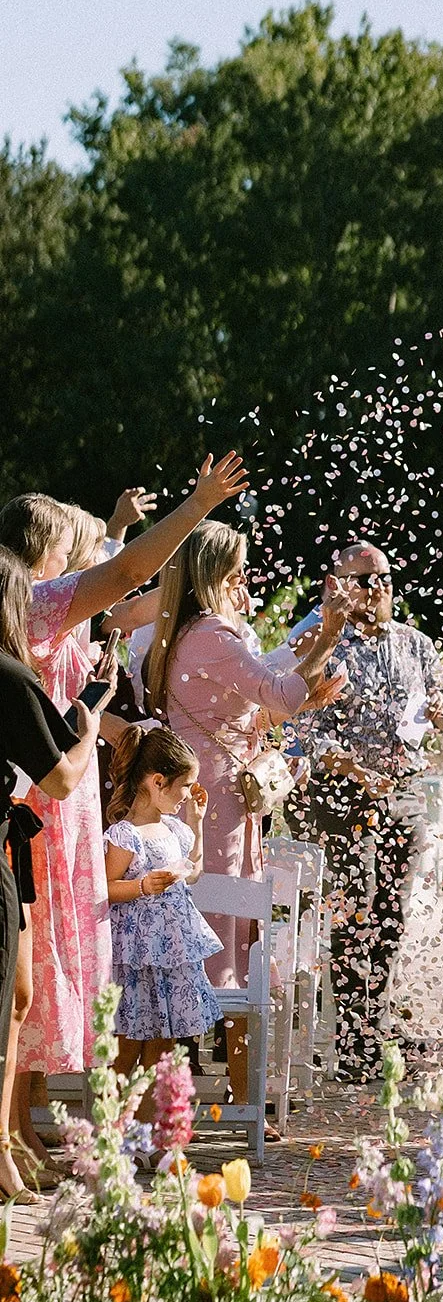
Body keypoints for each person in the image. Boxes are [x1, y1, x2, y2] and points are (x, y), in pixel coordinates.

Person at [0, 451, 248, 1173]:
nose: (78, 561)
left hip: (66, 801)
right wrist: (197, 507)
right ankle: (12, 1133)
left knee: (41, 984)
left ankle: (21, 1128)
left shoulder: (45, 615)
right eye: (68, 550)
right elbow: (123, 574)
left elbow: (128, 590)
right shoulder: (39, 607)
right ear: (42, 555)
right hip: (44, 801)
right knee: (30, 983)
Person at [143, 519, 347, 1111]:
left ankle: (223, 1095)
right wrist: (328, 633)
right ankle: (233, 1098)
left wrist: (306, 674)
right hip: (216, 810)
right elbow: (277, 696)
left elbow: (257, 703)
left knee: (222, 940)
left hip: (212, 799)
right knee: (225, 948)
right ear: (214, 575)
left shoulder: (191, 632)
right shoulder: (210, 633)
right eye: (236, 570)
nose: (246, 580)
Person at [295, 542, 443, 1080]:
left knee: (390, 913)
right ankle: (352, 1041)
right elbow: (297, 730)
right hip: (341, 797)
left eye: (386, 578)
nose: (379, 589)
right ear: (337, 585)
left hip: (405, 792)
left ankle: (378, 1022)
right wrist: (347, 766)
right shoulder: (317, 646)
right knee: (354, 910)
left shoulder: (415, 644)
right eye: (365, 579)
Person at [0, 546, 104, 1201]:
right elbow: (61, 779)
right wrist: (88, 728)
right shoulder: (9, 674)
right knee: (9, 1000)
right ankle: (4, 1158)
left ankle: (8, 1147)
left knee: (16, 995)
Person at [103, 727, 222, 1087]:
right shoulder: (126, 834)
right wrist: (141, 886)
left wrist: (197, 825)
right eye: (184, 786)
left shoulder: (173, 828)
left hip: (172, 951)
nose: (188, 795)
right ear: (158, 781)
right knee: (128, 1044)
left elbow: (194, 871)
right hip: (138, 953)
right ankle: (115, 1129)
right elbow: (105, 887)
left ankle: (151, 1130)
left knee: (163, 1041)